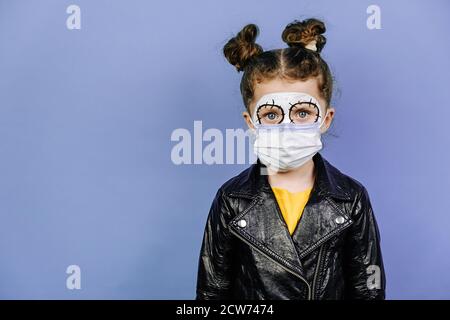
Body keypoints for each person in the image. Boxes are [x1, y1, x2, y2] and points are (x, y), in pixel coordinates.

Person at [195, 18, 386, 300]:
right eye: (271, 115)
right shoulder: (231, 199)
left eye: (302, 113)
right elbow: (211, 293)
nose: (286, 127)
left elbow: (368, 290)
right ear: (251, 122)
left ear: (325, 119)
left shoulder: (351, 198)